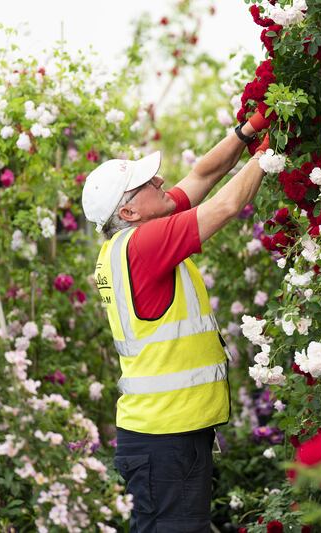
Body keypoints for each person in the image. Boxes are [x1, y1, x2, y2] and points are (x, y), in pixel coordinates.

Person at [80, 111, 270, 532]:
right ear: (128, 211)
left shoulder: (125, 244)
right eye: (148, 184)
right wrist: (278, 150)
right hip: (166, 439)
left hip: (161, 434)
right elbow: (226, 204)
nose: (161, 183)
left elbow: (203, 174)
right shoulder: (145, 244)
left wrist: (249, 130)